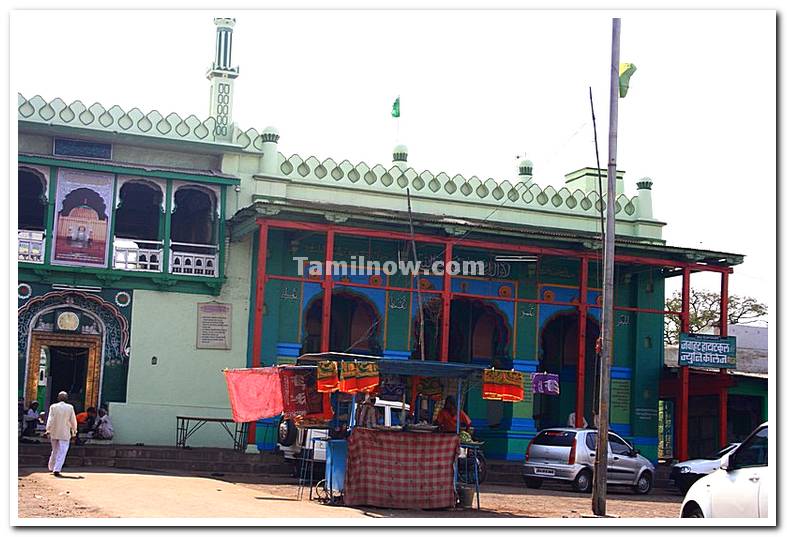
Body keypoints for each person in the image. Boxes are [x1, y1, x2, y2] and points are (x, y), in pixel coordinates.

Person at [46, 391, 77, 477]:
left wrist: (48, 429)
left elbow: (50, 419)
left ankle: (51, 466)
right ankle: (57, 469)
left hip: (54, 431)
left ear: (58, 398)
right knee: (62, 451)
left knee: (55, 450)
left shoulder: (53, 407)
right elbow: (73, 420)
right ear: (67, 399)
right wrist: (74, 431)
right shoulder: (70, 408)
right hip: (64, 432)